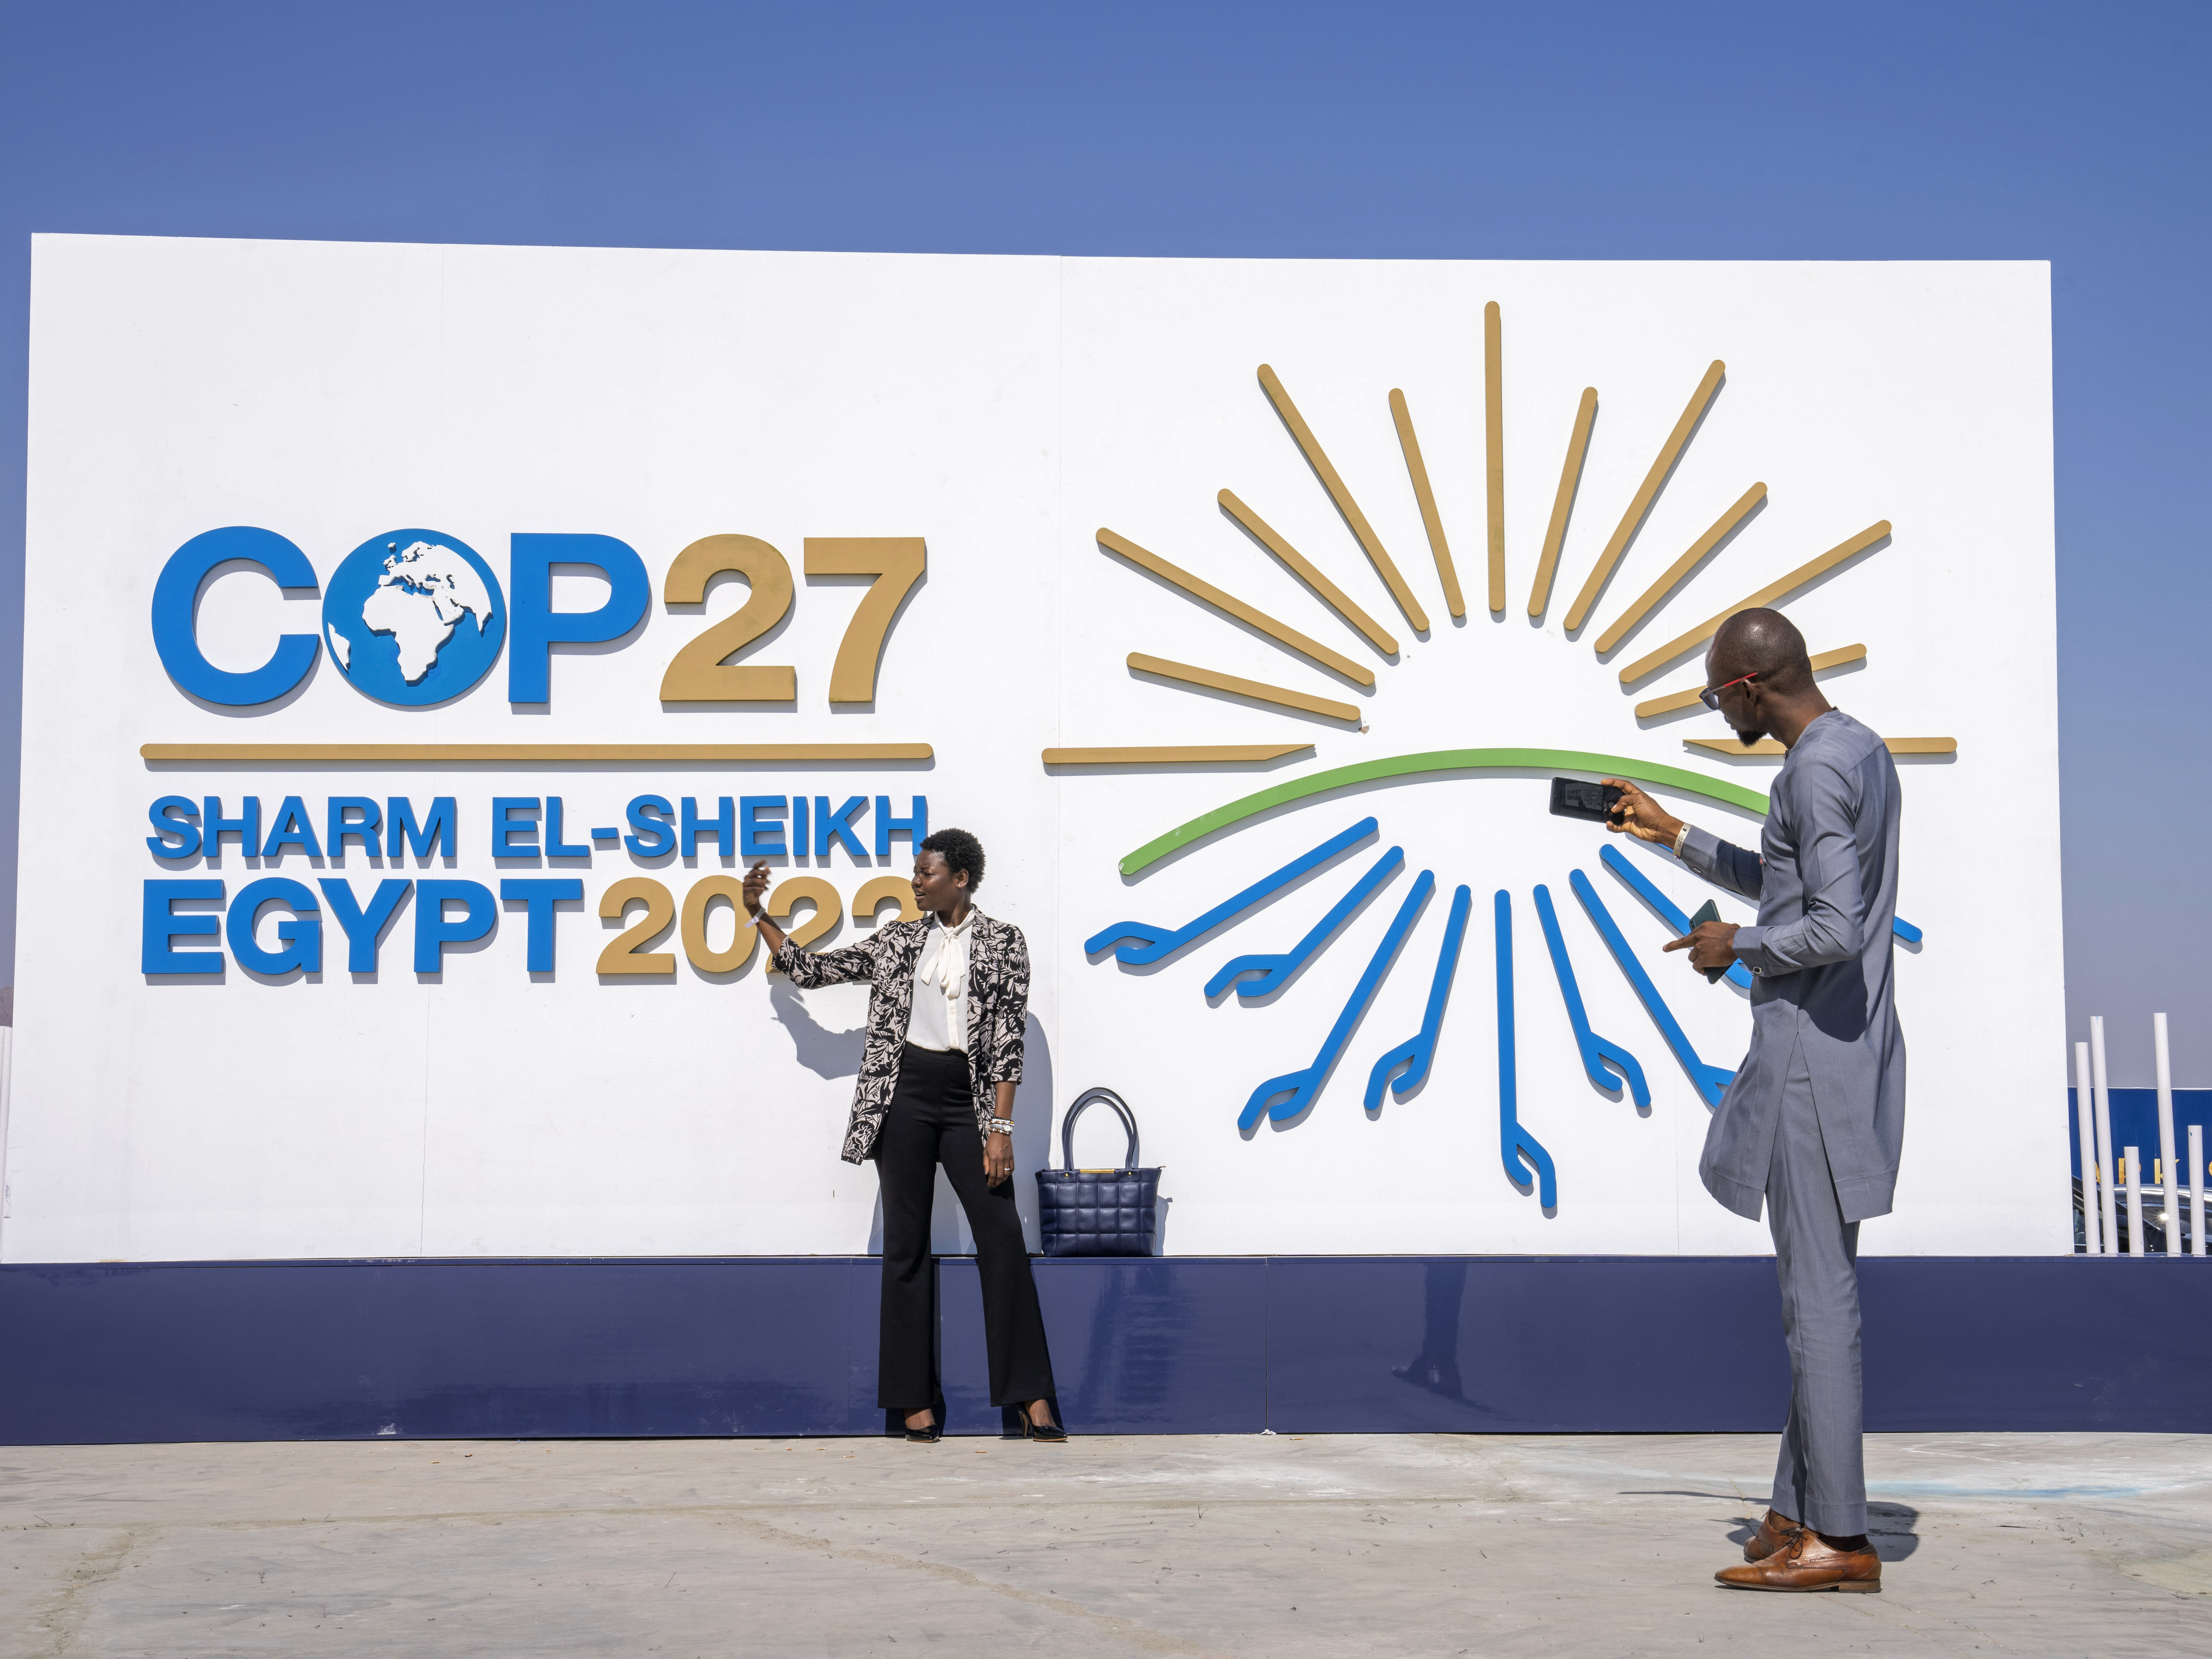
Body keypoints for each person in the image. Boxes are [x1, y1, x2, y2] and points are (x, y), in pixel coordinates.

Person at [1603, 606, 1901, 1594]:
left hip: (1811, 1071)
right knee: (1812, 1299)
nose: (1712, 708)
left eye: (1709, 695)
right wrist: (1670, 834)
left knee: (1817, 1306)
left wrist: (1738, 949)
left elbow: (1830, 927)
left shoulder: (1807, 769)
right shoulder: (1857, 752)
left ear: (1744, 689)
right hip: (1840, 1057)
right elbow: (1790, 885)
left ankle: (1841, 1540)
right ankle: (1795, 1509)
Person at [742, 828, 1063, 1443]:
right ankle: (912, 1402)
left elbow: (1006, 1044)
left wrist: (999, 1128)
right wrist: (759, 914)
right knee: (906, 1246)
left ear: (960, 878)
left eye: (926, 873)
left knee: (1001, 1237)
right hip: (904, 1096)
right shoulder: (898, 940)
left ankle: (1031, 1396)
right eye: (916, 872)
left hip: (968, 1102)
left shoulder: (1003, 943)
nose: (915, 881)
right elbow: (812, 970)